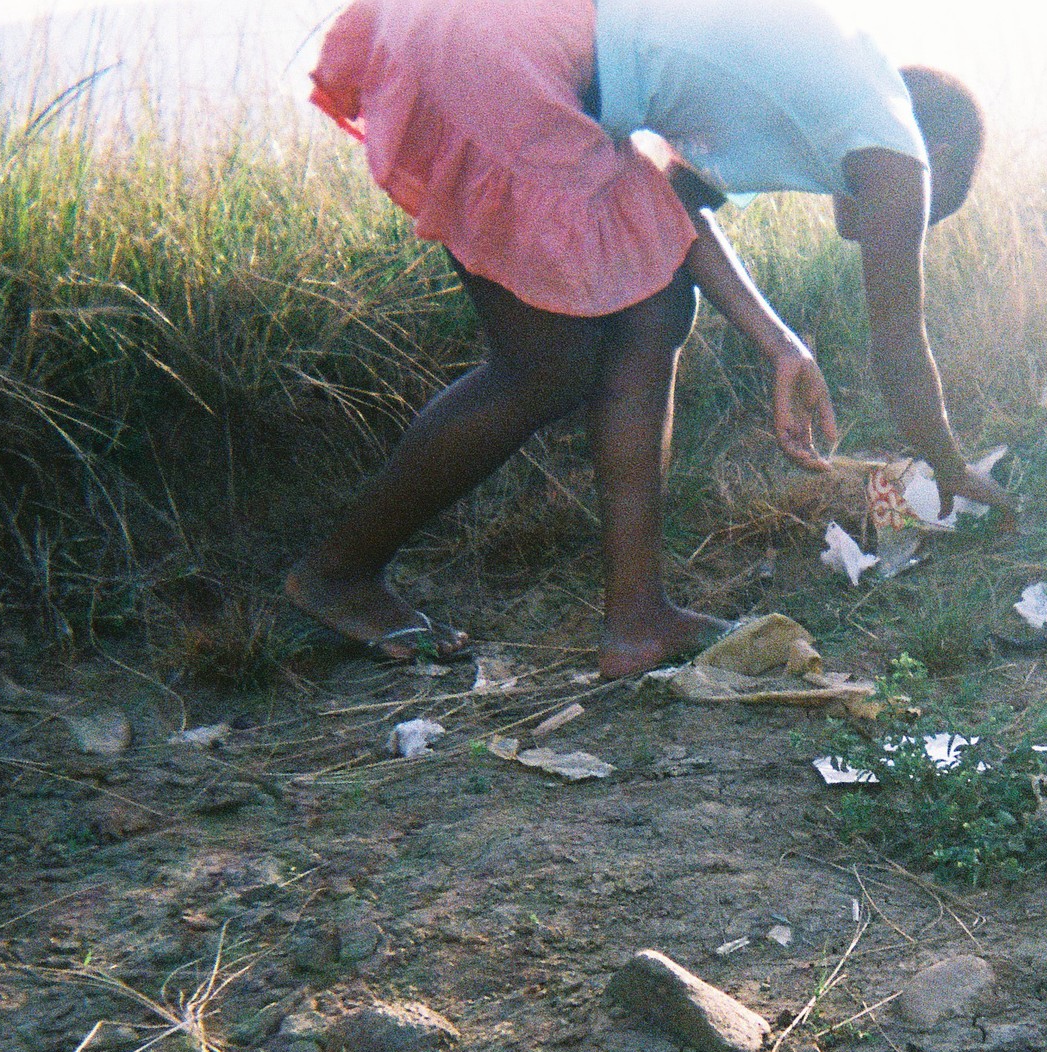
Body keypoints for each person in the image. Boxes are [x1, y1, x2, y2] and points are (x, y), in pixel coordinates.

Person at [288, 0, 1006, 677]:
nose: (916, 221)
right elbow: (900, 350)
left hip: (488, 31)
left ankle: (636, 619)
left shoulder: (846, 85)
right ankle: (339, 573)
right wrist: (953, 470)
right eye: (938, 207)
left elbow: (671, 205)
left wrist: (784, 345)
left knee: (655, 307)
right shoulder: (897, 146)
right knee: (547, 365)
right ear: (938, 151)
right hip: (508, 50)